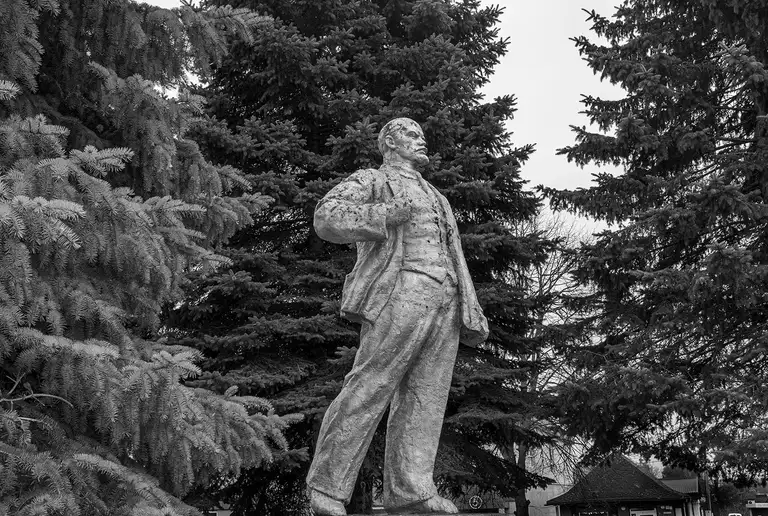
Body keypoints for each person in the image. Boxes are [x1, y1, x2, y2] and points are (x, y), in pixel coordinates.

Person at [307, 117, 489, 515]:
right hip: (400, 290)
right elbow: (327, 216)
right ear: (390, 141)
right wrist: (385, 214)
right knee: (370, 384)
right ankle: (326, 487)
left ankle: (411, 491)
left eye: (421, 134)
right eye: (411, 133)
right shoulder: (372, 178)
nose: (421, 139)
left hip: (445, 298)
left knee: (426, 396)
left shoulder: (437, 195)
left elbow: (453, 251)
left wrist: (468, 303)